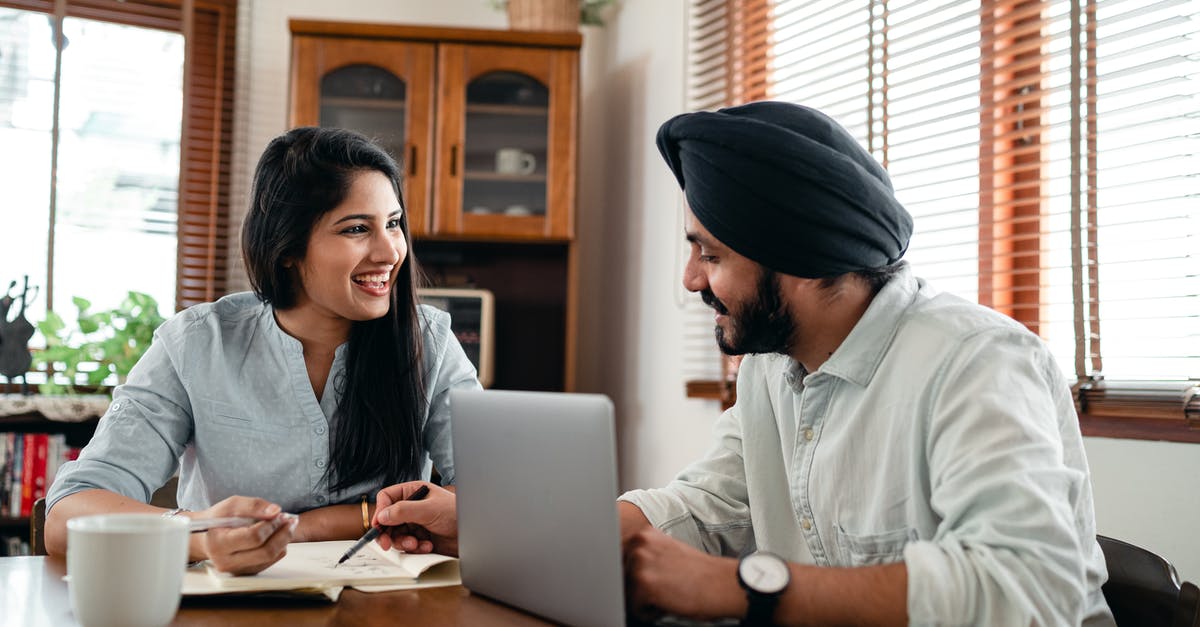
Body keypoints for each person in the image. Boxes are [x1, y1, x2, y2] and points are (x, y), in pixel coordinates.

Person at [617, 101, 1115, 626]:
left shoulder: (978, 363)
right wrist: (569, 538)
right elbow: (706, 506)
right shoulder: (771, 368)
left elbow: (1023, 588)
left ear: (798, 260)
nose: (691, 279)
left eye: (711, 256)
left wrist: (745, 590)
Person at [44, 126, 478, 574]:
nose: (390, 251)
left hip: (393, 608)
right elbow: (66, 518)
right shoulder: (196, 343)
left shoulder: (430, 341)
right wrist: (199, 534)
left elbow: (500, 502)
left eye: (392, 224)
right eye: (356, 229)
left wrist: (314, 526)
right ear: (286, 246)